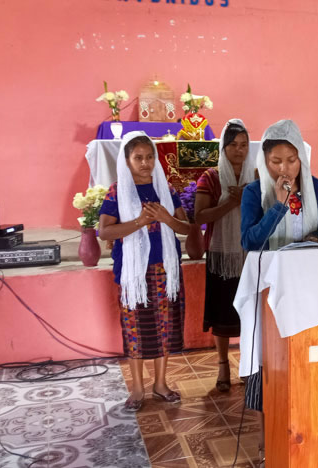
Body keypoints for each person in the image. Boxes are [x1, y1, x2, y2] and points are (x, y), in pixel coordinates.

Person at [238, 119, 318, 460]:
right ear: (264, 161)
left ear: (302, 159)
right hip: (268, 292)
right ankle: (267, 439)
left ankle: (304, 432)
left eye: (292, 160)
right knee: (270, 363)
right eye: (276, 161)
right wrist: (278, 205)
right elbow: (250, 241)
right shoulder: (255, 193)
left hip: (308, 287)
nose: (285, 169)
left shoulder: (314, 188)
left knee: (305, 359)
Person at [98, 131, 192, 411]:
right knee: (135, 330)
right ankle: (138, 389)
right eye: (138, 157)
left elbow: (187, 228)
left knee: (164, 328)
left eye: (149, 157)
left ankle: (160, 384)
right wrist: (140, 221)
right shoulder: (118, 191)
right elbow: (105, 231)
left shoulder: (166, 189)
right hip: (134, 274)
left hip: (164, 269)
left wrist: (166, 218)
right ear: (126, 160)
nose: (145, 163)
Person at [193, 119, 255, 392]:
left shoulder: (256, 175)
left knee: (249, 312)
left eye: (243, 145)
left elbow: (265, 210)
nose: (239, 150)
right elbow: (200, 217)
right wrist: (232, 202)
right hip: (221, 255)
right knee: (222, 312)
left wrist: (249, 197)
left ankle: (247, 364)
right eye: (233, 145)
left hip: (249, 253)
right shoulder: (211, 177)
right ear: (223, 147)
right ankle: (222, 365)